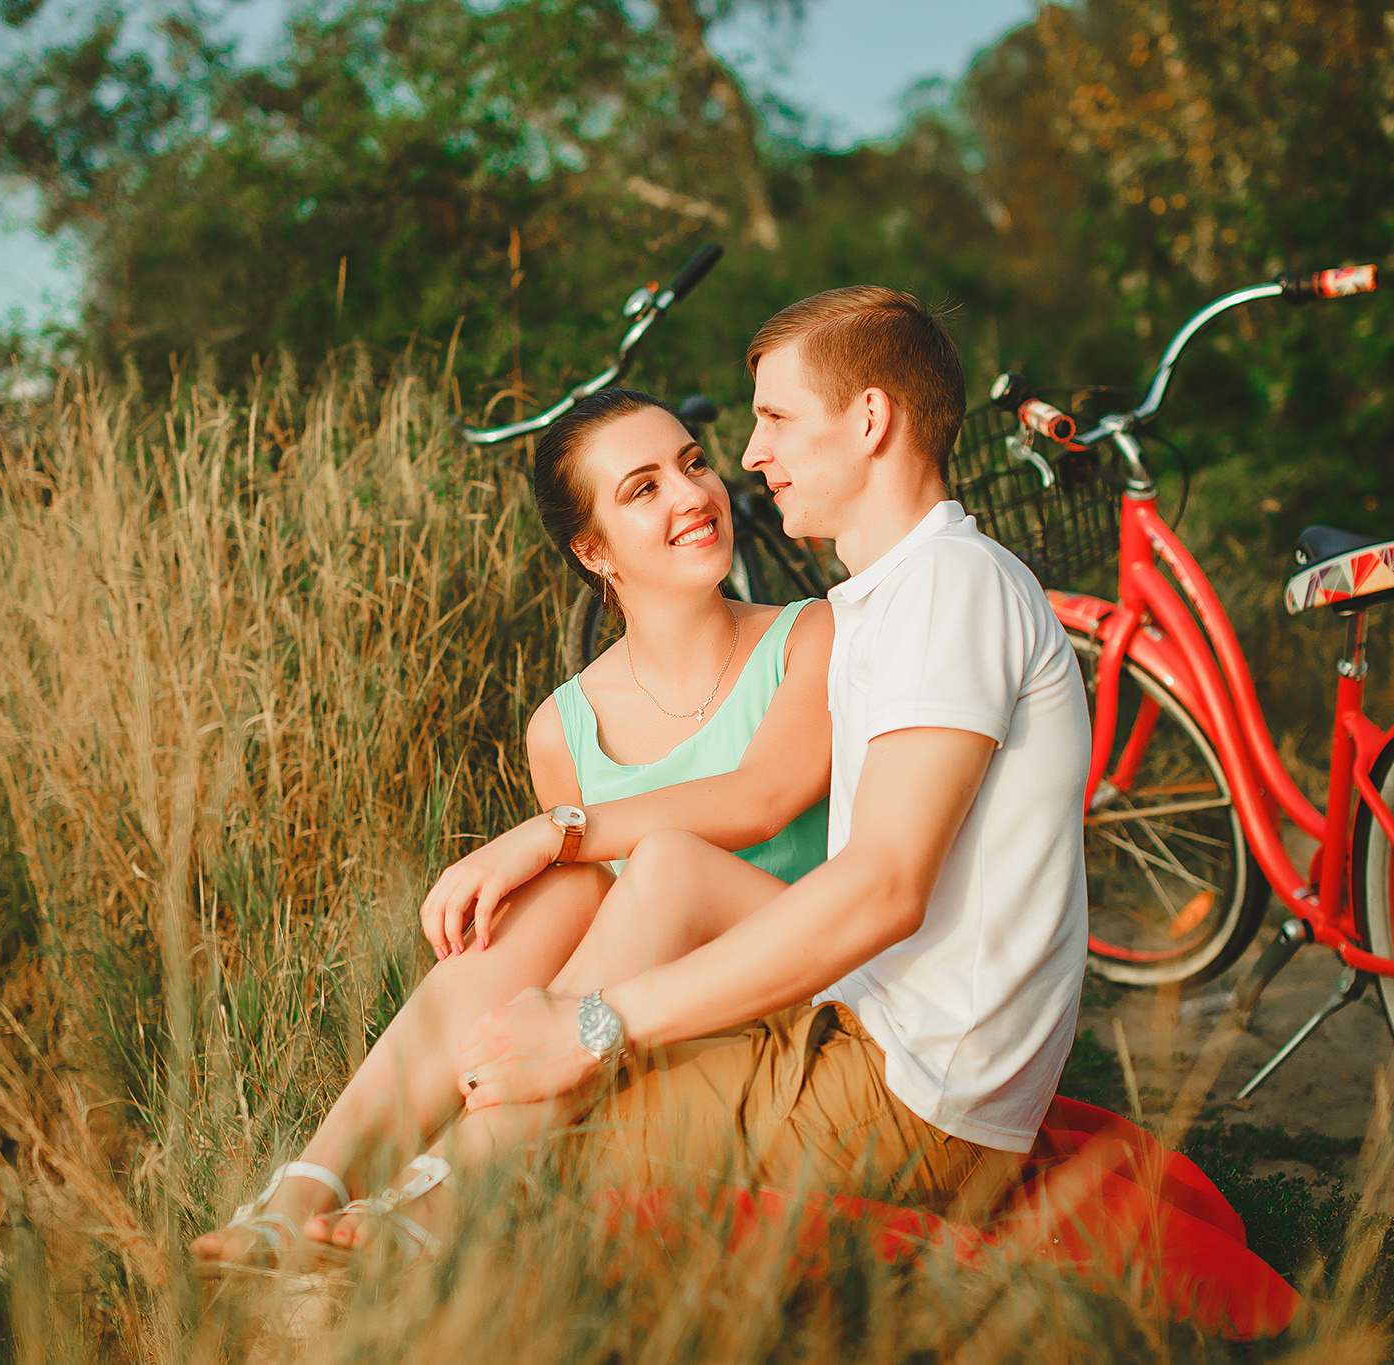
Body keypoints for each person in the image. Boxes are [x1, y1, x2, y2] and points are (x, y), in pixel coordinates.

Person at [305, 285, 1092, 1250]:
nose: (750, 458)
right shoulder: (894, 598)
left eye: (772, 419)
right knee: (651, 878)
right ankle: (338, 1188)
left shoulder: (948, 588)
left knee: (544, 1154)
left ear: (870, 419)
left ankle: (418, 1219)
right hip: (866, 1038)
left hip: (911, 1094)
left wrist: (592, 1025)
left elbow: (882, 886)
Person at [191, 388, 835, 1272]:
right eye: (643, 488)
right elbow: (588, 942)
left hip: (803, 993)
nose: (693, 495)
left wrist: (554, 828)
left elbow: (762, 797)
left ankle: (453, 1179)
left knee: (649, 864)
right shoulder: (562, 726)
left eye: (692, 463)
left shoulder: (813, 634)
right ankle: (309, 1186)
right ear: (592, 549)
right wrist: (560, 846)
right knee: (568, 888)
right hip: (643, 1027)